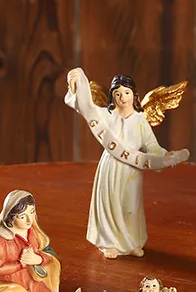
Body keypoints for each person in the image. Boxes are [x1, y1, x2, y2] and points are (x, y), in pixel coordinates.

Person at [65, 67, 189, 258]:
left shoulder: (140, 120)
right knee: (110, 203)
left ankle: (131, 243)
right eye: (118, 94)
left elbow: (151, 146)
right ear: (112, 97)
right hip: (110, 166)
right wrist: (75, 86)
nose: (123, 98)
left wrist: (166, 156)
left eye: (127, 93)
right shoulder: (107, 115)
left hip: (131, 168)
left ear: (134, 95)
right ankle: (109, 243)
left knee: (130, 206)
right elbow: (85, 106)